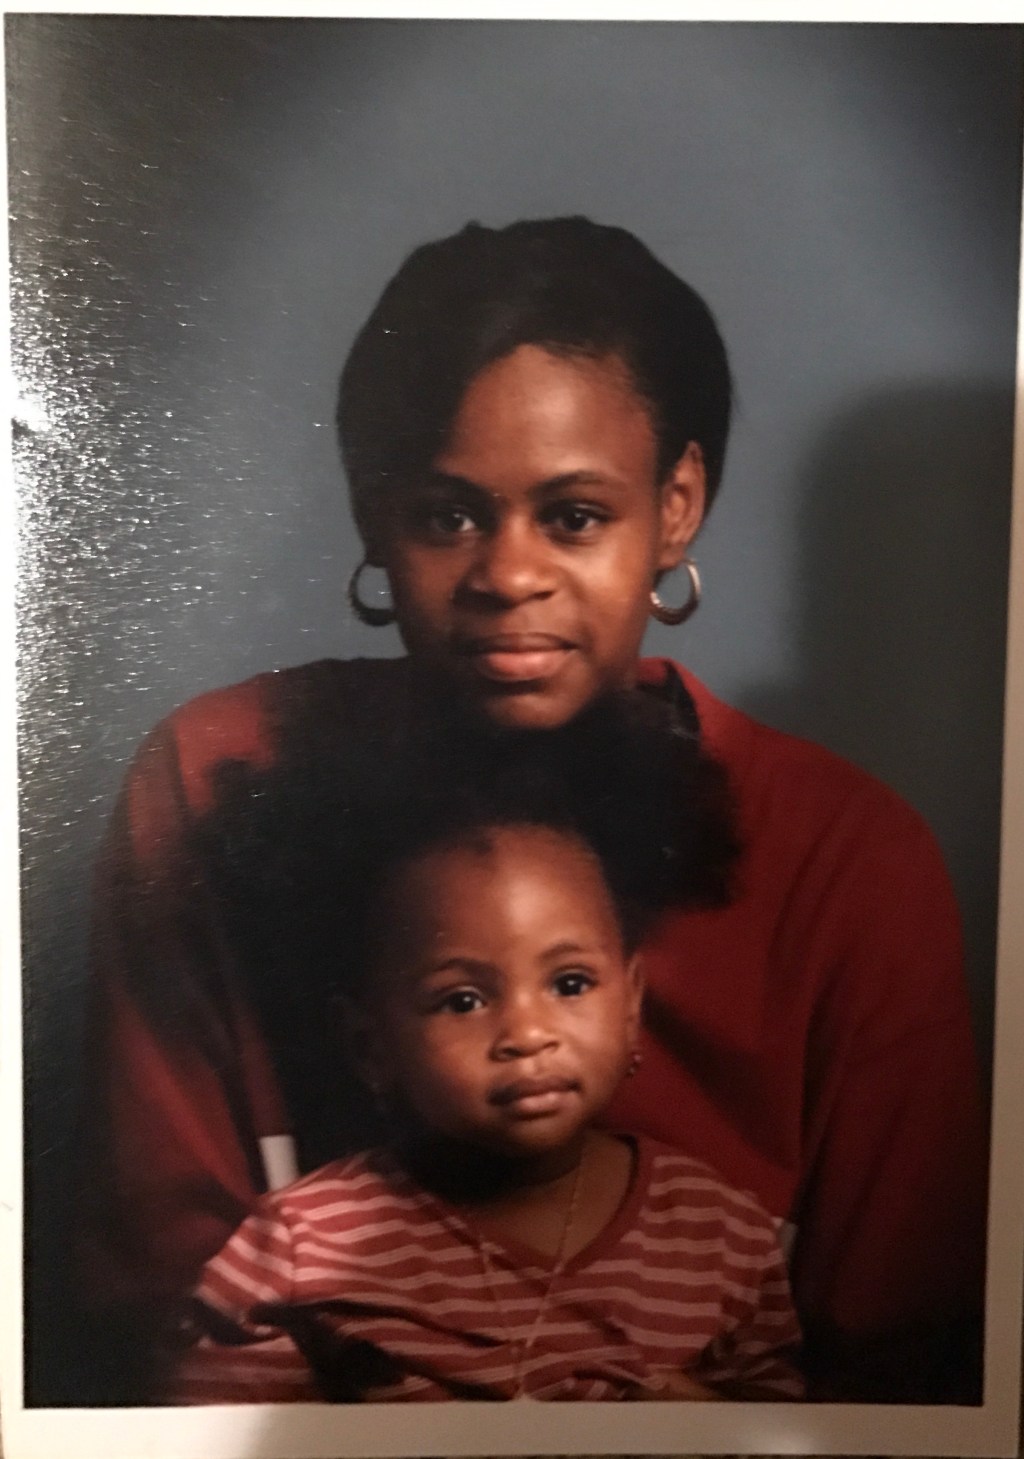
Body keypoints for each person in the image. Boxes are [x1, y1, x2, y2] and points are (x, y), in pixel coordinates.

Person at [80, 216, 987, 1403]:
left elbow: (896, 1369)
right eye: (446, 516)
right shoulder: (211, 780)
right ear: (371, 513)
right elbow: (157, 1306)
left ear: (675, 505)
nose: (508, 576)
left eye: (574, 516)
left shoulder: (846, 855)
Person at [170, 779, 803, 1404]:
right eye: (463, 1000)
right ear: (371, 1046)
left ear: (632, 1004)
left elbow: (786, 1429)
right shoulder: (297, 1247)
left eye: (571, 984)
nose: (527, 1035)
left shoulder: (718, 1232)